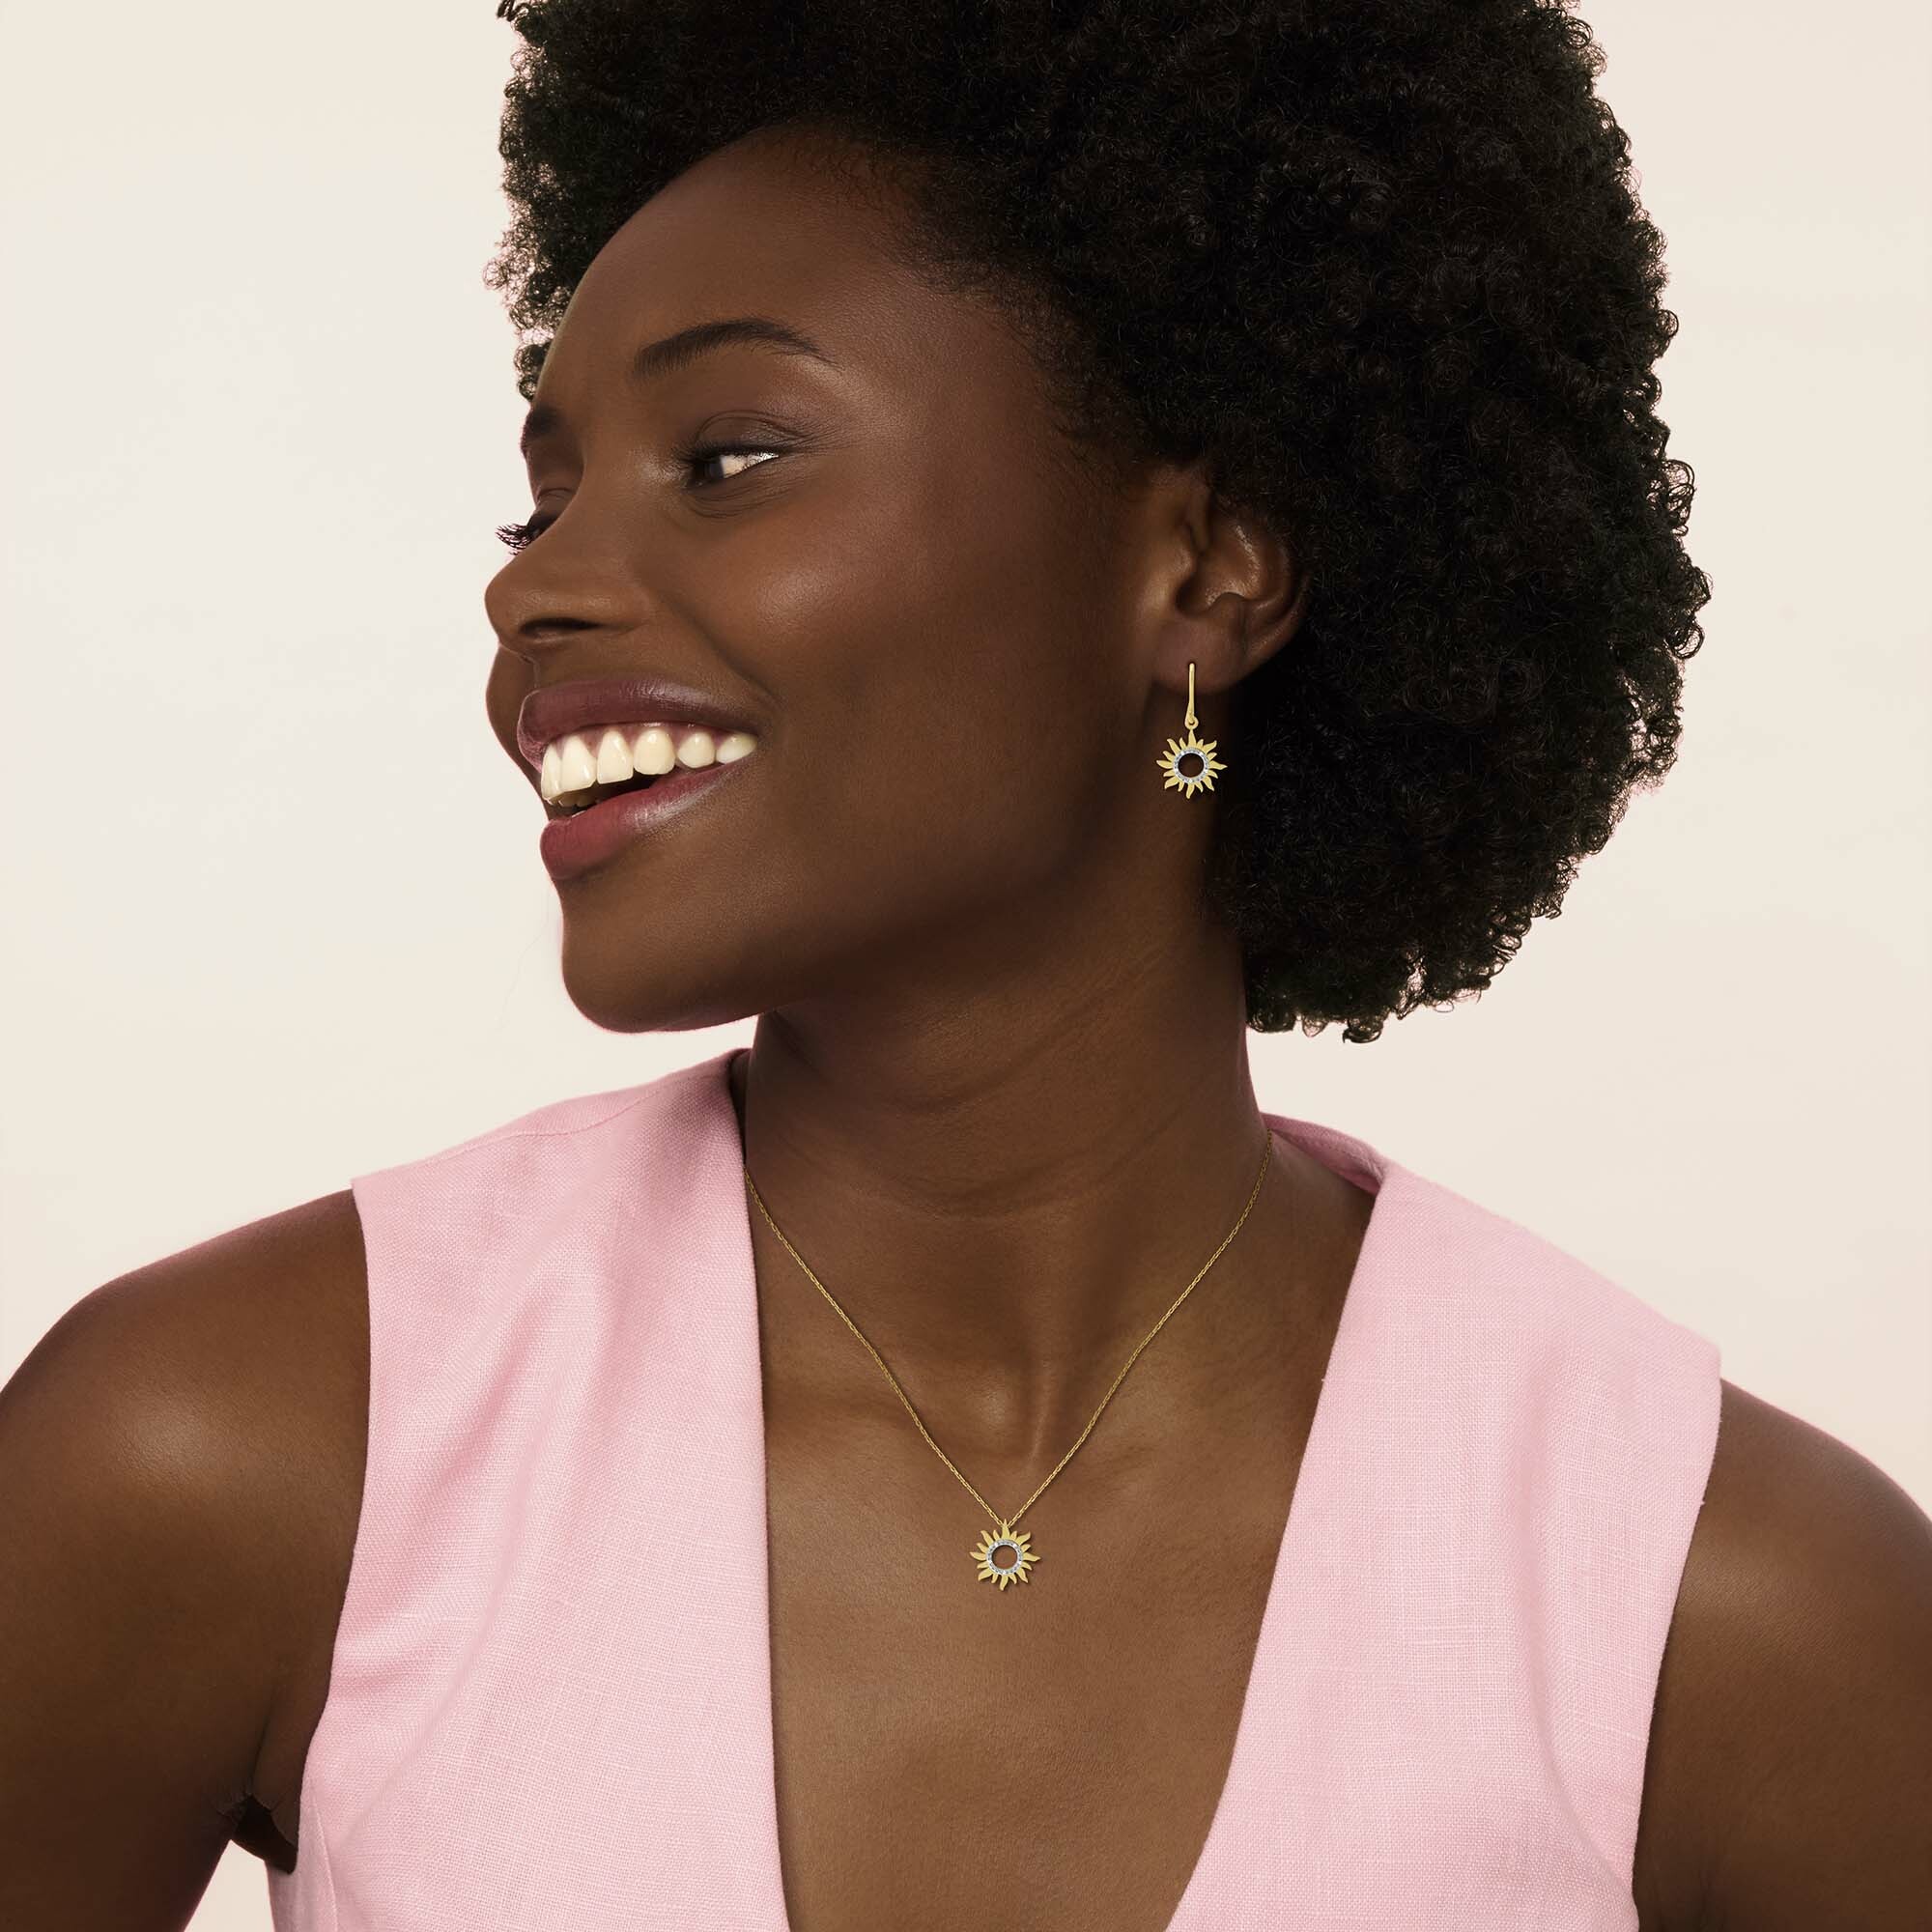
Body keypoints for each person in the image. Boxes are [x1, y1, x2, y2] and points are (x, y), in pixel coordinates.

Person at [4, 1, 1928, 1926]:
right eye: (547, 493)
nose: (534, 586)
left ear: (1206, 569)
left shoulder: (1722, 1615)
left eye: (728, 455)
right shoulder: (238, 1458)